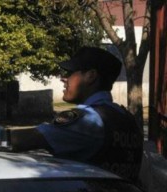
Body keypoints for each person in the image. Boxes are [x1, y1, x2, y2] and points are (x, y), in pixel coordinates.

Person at [8, 46, 143, 182]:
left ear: (90, 76)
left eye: (70, 73)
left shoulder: (88, 119)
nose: (63, 78)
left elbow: (28, 139)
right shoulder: (126, 118)